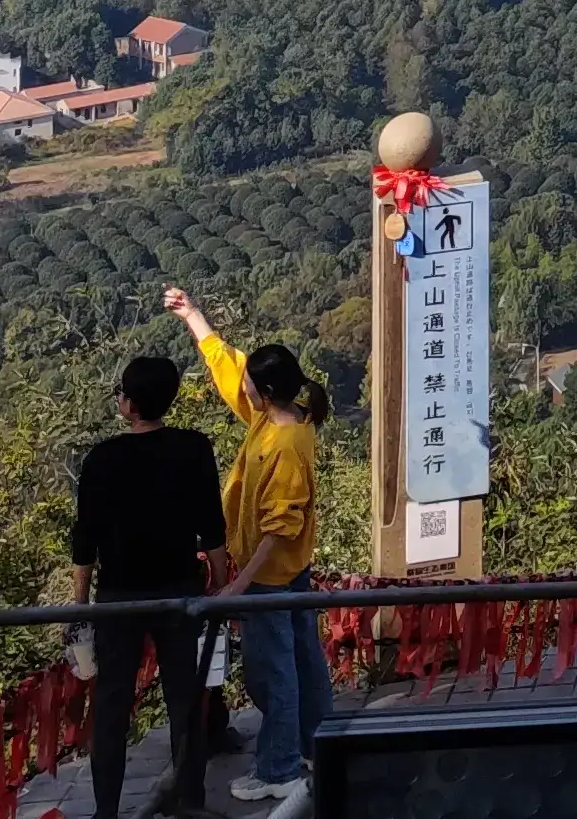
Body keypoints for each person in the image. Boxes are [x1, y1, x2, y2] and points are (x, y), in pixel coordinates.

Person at [161, 285, 328, 816]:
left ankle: (278, 768)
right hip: (286, 573)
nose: (245, 386)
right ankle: (313, 747)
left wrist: (239, 583)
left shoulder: (285, 446)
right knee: (303, 661)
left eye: (254, 383)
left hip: (271, 576)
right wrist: (194, 317)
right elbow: (227, 365)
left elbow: (280, 527)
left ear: (268, 390)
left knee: (272, 672)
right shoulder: (280, 418)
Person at [66, 351, 223, 819]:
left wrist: (79, 602)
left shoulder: (102, 458)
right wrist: (218, 579)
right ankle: (190, 802)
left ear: (129, 404)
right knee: (183, 699)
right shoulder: (194, 448)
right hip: (180, 592)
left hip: (118, 598)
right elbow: (211, 524)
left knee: (112, 705)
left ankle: (106, 810)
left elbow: (85, 537)